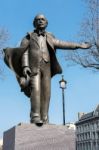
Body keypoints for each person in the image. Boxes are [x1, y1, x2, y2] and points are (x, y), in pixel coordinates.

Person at [4, 14, 91, 126]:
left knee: (46, 93)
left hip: (47, 68)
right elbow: (23, 52)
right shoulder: (28, 37)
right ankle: (35, 117)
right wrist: (25, 67)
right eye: (38, 20)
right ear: (34, 23)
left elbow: (63, 43)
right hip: (33, 68)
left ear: (46, 23)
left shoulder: (50, 37)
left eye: (42, 19)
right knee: (35, 91)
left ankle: (45, 118)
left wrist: (79, 45)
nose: (40, 21)